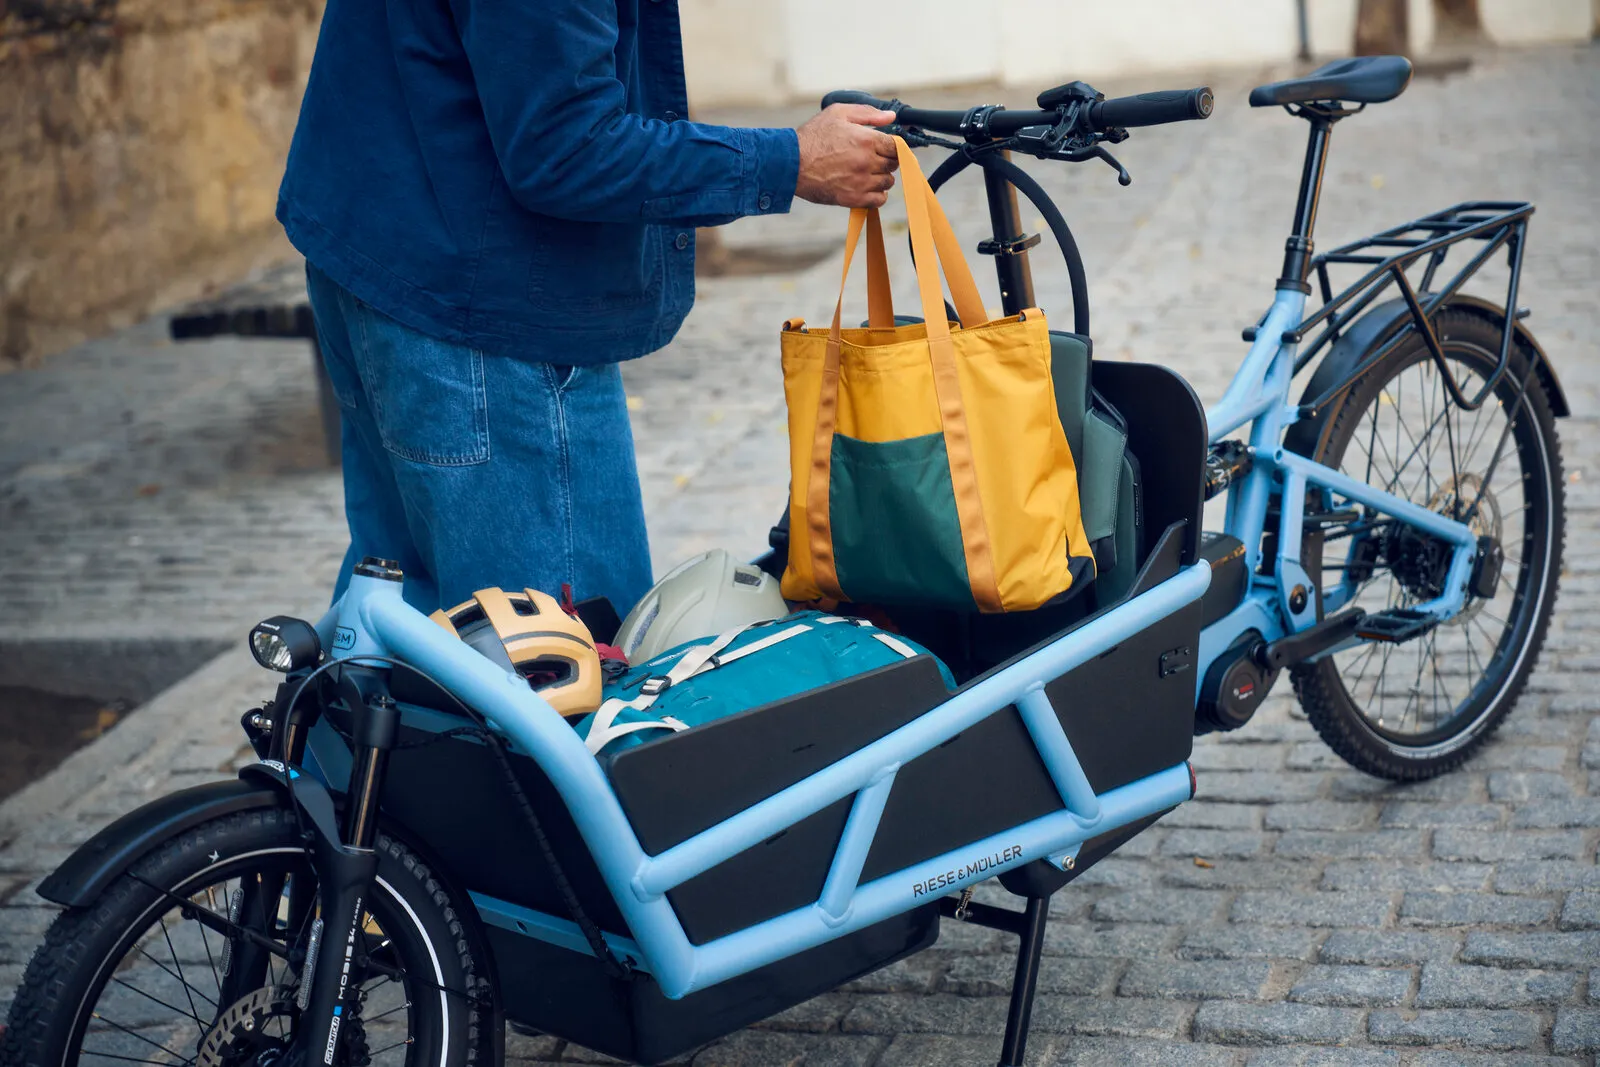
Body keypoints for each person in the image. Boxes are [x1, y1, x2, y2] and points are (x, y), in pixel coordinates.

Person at [277, 0, 898, 616]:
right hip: (479, 304)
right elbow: (566, 148)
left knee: (406, 619)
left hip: (389, 257)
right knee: (559, 661)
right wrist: (791, 159)